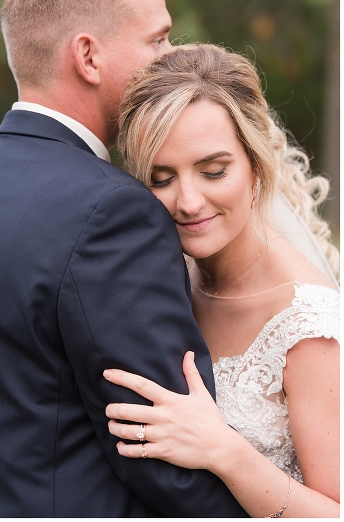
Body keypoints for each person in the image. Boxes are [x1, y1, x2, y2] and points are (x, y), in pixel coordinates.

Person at [0, 0, 246, 517]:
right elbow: (168, 464)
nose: (172, 58)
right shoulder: (114, 213)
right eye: (158, 41)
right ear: (88, 56)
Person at [105, 43, 340, 517]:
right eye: (161, 177)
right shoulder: (159, 281)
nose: (188, 201)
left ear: (255, 167)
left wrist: (225, 451)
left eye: (213, 171)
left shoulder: (309, 326)